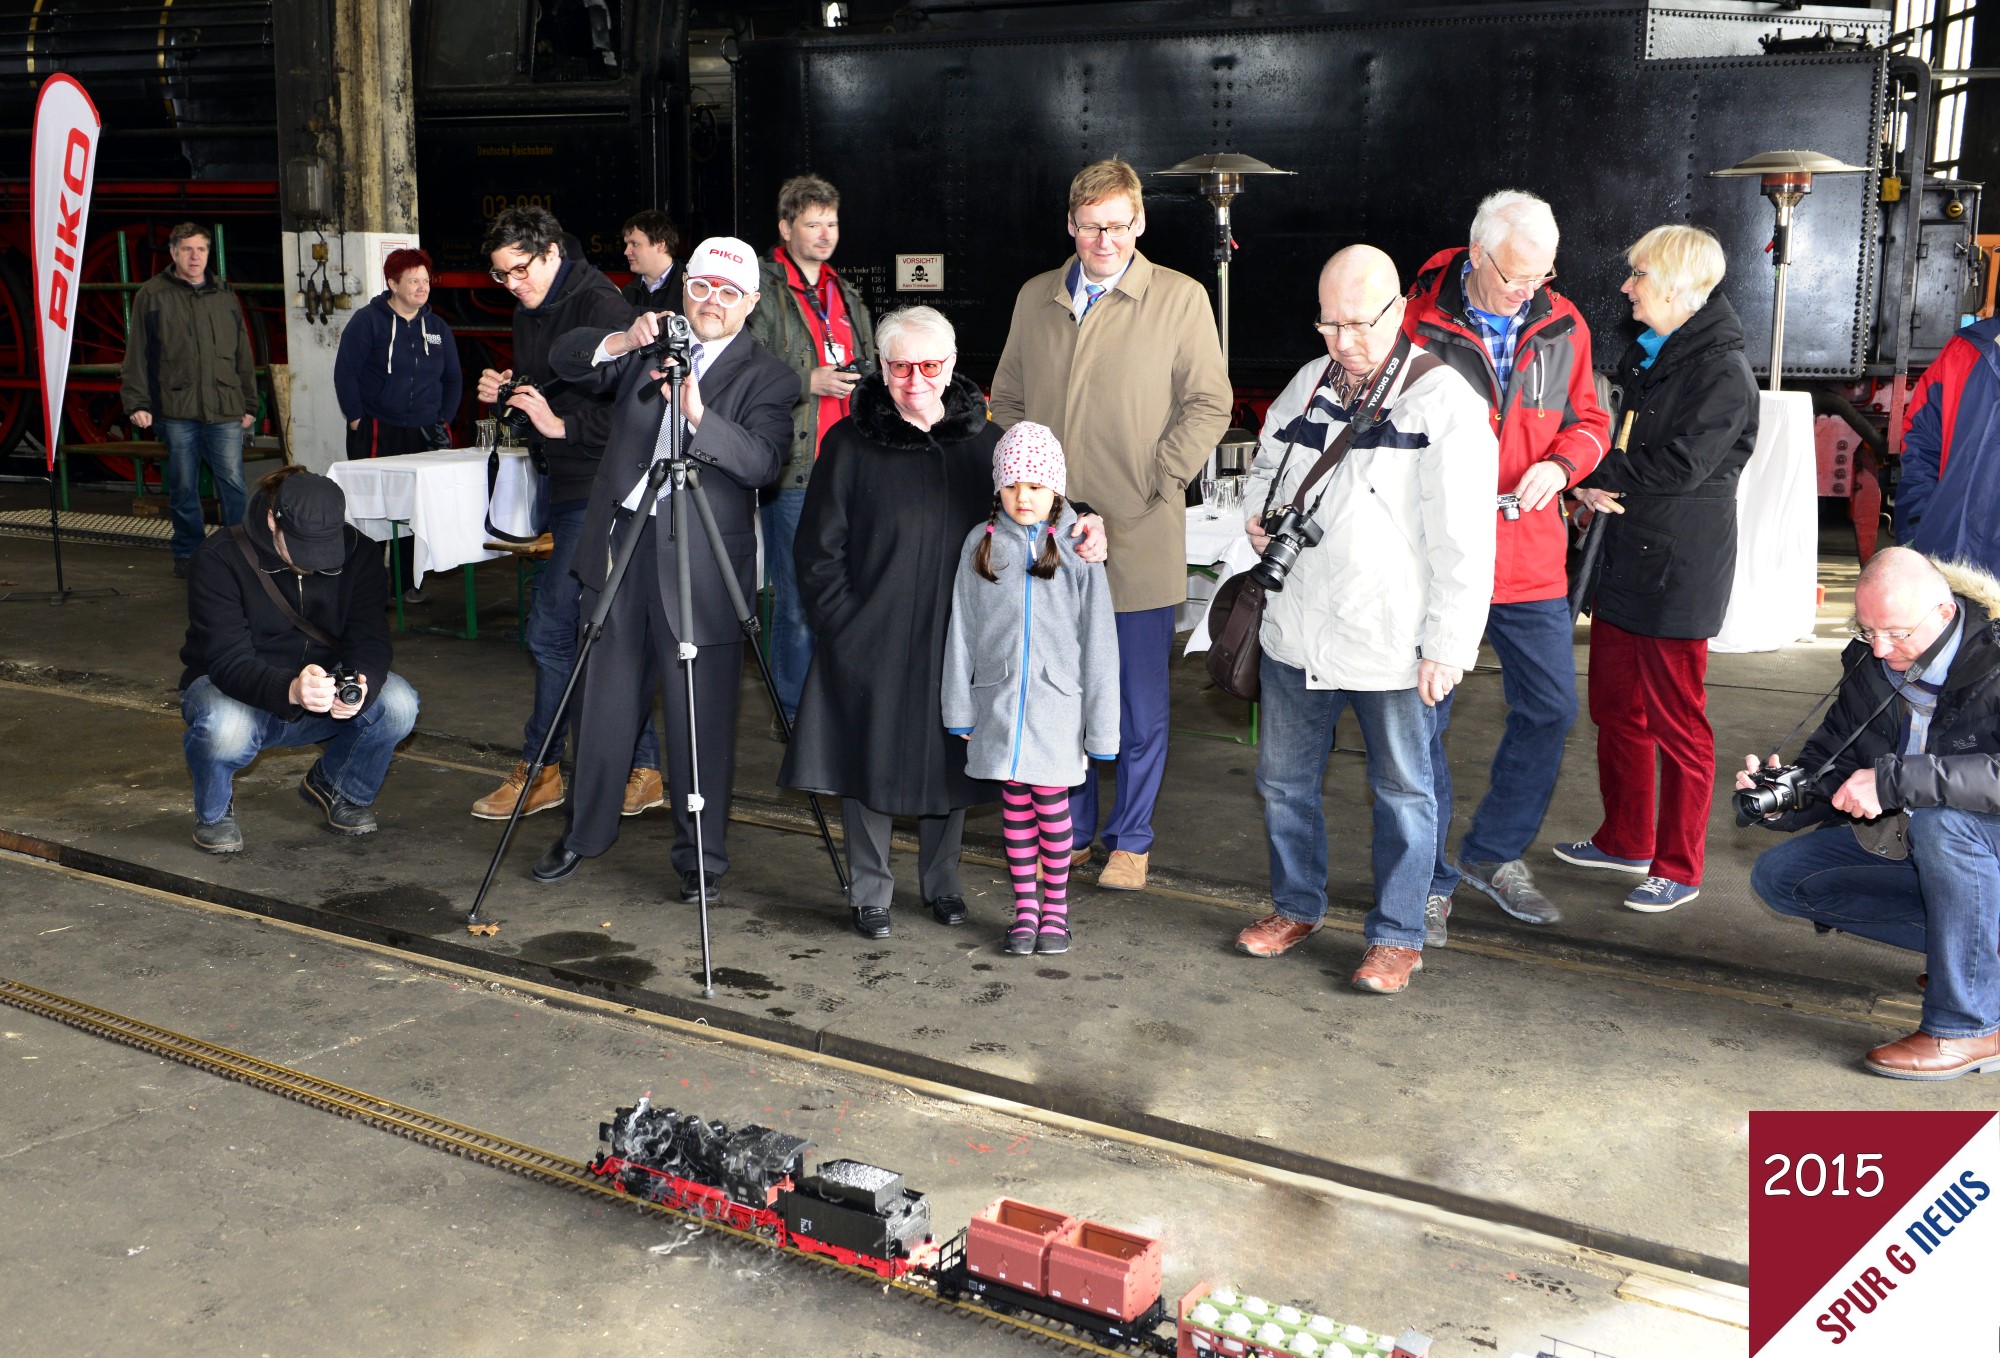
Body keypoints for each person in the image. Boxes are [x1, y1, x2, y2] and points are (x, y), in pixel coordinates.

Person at [1231, 246, 1496, 995]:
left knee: (1405, 792)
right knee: (1284, 784)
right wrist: (1259, 516)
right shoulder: (1307, 386)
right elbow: (1265, 467)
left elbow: (1466, 543)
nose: (1342, 340)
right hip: (1297, 631)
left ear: (1399, 310)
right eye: (1328, 323)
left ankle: (1397, 936)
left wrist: (1447, 648)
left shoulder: (1444, 401)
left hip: (1391, 640)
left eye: (1358, 323)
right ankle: (1296, 908)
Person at [530, 237, 798, 902]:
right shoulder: (648, 346)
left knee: (701, 717)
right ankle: (583, 835)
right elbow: (561, 361)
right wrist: (622, 341)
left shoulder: (771, 375)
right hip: (623, 541)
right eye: (702, 288)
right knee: (603, 703)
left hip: (703, 558)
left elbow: (764, 462)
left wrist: (698, 412)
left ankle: (700, 855)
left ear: (752, 305)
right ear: (686, 289)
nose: (712, 303)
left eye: (729, 293)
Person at [989, 158, 1232, 891]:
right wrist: (1034, 492)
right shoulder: (1036, 298)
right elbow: (1007, 399)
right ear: (1071, 224)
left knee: (1135, 703)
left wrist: (1156, 481)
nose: (1105, 239)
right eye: (1092, 225)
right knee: (1062, 691)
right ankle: (1079, 831)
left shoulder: (1181, 299)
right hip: (1052, 536)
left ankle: (1132, 837)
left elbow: (1209, 404)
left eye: (1119, 225)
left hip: (1140, 528)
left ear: (1141, 224)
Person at [1403, 189, 1610, 942]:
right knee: (1423, 721)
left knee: (1551, 708)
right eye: (1517, 278)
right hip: (1434, 555)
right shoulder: (1415, 318)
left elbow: (1591, 418)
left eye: (1543, 277)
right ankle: (1425, 876)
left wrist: (1561, 467)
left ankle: (1492, 853)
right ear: (1478, 255)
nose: (1531, 292)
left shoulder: (1562, 322)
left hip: (1528, 556)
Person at [1555, 225, 1757, 912]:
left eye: (1638, 276)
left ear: (1675, 286)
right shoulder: (1661, 355)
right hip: (1629, 554)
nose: (1626, 287)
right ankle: (1625, 838)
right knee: (1614, 706)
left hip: (1677, 566)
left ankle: (1679, 863)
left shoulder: (1719, 370)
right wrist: (1588, 480)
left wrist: (1586, 468)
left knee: (1679, 722)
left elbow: (1680, 465)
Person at [1741, 547, 2000, 1080]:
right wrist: (1785, 796)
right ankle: (1976, 966)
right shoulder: (1872, 660)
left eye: (1897, 633)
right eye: (1867, 631)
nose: (1881, 649)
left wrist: (1894, 782)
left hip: (1969, 838)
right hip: (1917, 842)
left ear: (1945, 612)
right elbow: (1832, 755)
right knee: (1783, 878)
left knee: (1941, 819)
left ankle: (1968, 1026)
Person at [469, 207, 665, 823]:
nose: (513, 285)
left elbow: (651, 405)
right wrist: (509, 389)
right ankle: (643, 765)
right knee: (592, 631)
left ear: (552, 251)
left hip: (606, 488)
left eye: (519, 271)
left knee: (555, 628)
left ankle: (543, 766)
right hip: (568, 484)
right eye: (501, 277)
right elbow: (550, 381)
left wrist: (564, 424)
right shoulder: (533, 304)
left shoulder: (604, 308)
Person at [942, 422, 1120, 957]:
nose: (1025, 497)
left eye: (1038, 486)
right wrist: (960, 708)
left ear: (1057, 490)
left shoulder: (1076, 547)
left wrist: (1102, 727)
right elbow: (961, 630)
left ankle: (1057, 914)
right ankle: (1025, 911)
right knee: (1014, 806)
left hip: (1056, 709)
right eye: (1014, 484)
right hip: (997, 704)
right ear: (998, 486)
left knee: (1052, 808)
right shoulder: (981, 542)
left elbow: (1100, 643)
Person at [178, 467, 420, 853]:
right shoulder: (219, 558)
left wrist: (362, 680)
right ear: (274, 520)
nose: (313, 563)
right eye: (303, 549)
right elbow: (226, 659)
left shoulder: (360, 553)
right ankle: (214, 812)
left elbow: (370, 637)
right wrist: (290, 688)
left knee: (399, 704)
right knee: (226, 730)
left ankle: (336, 784)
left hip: (323, 687)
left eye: (325, 550)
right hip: (236, 687)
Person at [745, 174, 878, 730]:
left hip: (850, 465)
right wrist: (810, 378)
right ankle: (794, 712)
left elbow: (869, 359)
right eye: (812, 224)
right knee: (798, 597)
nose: (825, 234)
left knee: (847, 588)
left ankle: (834, 700)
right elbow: (743, 368)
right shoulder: (761, 289)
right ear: (785, 227)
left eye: (832, 223)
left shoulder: (844, 291)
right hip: (795, 469)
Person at [120, 222, 257, 578]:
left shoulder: (225, 295)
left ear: (208, 254)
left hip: (225, 406)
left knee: (233, 484)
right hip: (177, 408)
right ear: (173, 253)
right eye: (187, 250)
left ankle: (241, 554)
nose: (195, 257)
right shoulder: (151, 295)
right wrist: (137, 403)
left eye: (201, 250)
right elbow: (137, 354)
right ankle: (188, 553)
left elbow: (243, 353)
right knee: (183, 486)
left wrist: (250, 404)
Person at [332, 247, 462, 602]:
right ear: (392, 283)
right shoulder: (367, 321)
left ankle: (408, 584)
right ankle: (370, 589)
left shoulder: (436, 328)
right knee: (372, 510)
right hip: (376, 429)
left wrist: (443, 420)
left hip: (422, 431)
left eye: (425, 280)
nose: (422, 288)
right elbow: (346, 373)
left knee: (413, 512)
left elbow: (453, 379)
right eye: (413, 281)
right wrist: (357, 417)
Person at [1895, 314, 2000, 576]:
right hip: (1953, 564)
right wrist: (1916, 531)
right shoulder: (1967, 349)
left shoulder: (1969, 349)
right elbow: (1920, 445)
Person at [620, 209, 679, 309]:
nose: (626, 252)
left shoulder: (693, 289)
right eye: (627, 244)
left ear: (660, 245)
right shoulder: (626, 294)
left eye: (635, 244)